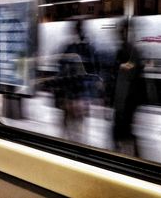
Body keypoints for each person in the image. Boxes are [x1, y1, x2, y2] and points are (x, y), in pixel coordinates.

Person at [55, 20, 103, 140]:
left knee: (69, 124)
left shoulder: (69, 48)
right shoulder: (90, 49)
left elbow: (62, 72)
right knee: (79, 124)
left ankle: (69, 142)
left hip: (72, 95)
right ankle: (77, 143)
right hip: (82, 95)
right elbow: (94, 72)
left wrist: (61, 93)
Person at [111, 20, 145, 156]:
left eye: (121, 31)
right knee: (124, 129)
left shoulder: (127, 50)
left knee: (122, 130)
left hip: (126, 98)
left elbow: (128, 71)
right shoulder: (130, 50)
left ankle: (127, 156)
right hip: (126, 98)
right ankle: (131, 154)